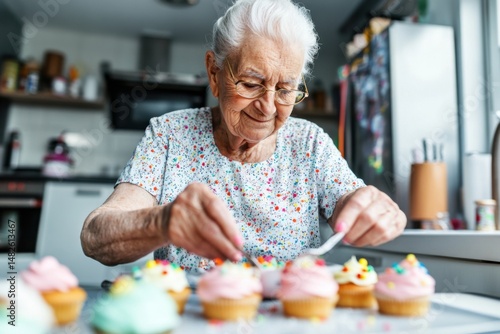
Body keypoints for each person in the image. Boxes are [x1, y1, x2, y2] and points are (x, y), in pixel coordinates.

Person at [81, 0, 406, 272]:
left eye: (285, 90)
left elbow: (351, 202)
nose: (267, 107)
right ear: (214, 73)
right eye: (251, 84)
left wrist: (372, 209)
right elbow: (95, 237)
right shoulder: (170, 135)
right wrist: (163, 222)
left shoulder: (310, 144)